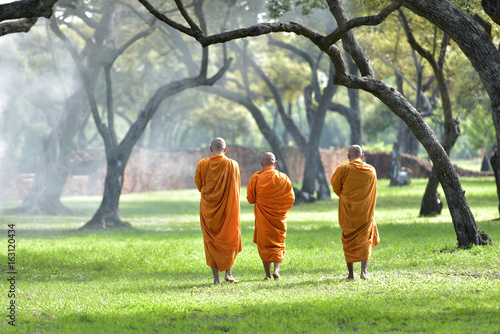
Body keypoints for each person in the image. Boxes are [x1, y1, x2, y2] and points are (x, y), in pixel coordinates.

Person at [195, 138, 242, 284]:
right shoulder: (233, 165)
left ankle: (217, 279)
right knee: (230, 237)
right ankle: (228, 274)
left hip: (208, 209)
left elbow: (199, 184)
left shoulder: (202, 164)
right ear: (225, 149)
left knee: (211, 240)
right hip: (228, 208)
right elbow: (236, 187)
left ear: (210, 149)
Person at [331, 145, 379, 280]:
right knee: (365, 240)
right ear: (362, 156)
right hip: (365, 212)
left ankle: (351, 274)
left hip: (348, 212)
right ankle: (363, 272)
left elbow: (335, 187)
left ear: (348, 156)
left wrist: (346, 196)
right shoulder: (371, 170)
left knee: (348, 239)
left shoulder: (343, 169)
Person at [247, 152, 295, 280]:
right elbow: (290, 199)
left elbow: (250, 199)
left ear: (262, 164)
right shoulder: (283, 178)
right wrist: (280, 210)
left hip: (263, 218)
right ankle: (276, 270)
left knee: (265, 244)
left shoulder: (256, 178)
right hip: (278, 217)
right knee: (278, 242)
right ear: (275, 163)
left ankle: (268, 274)